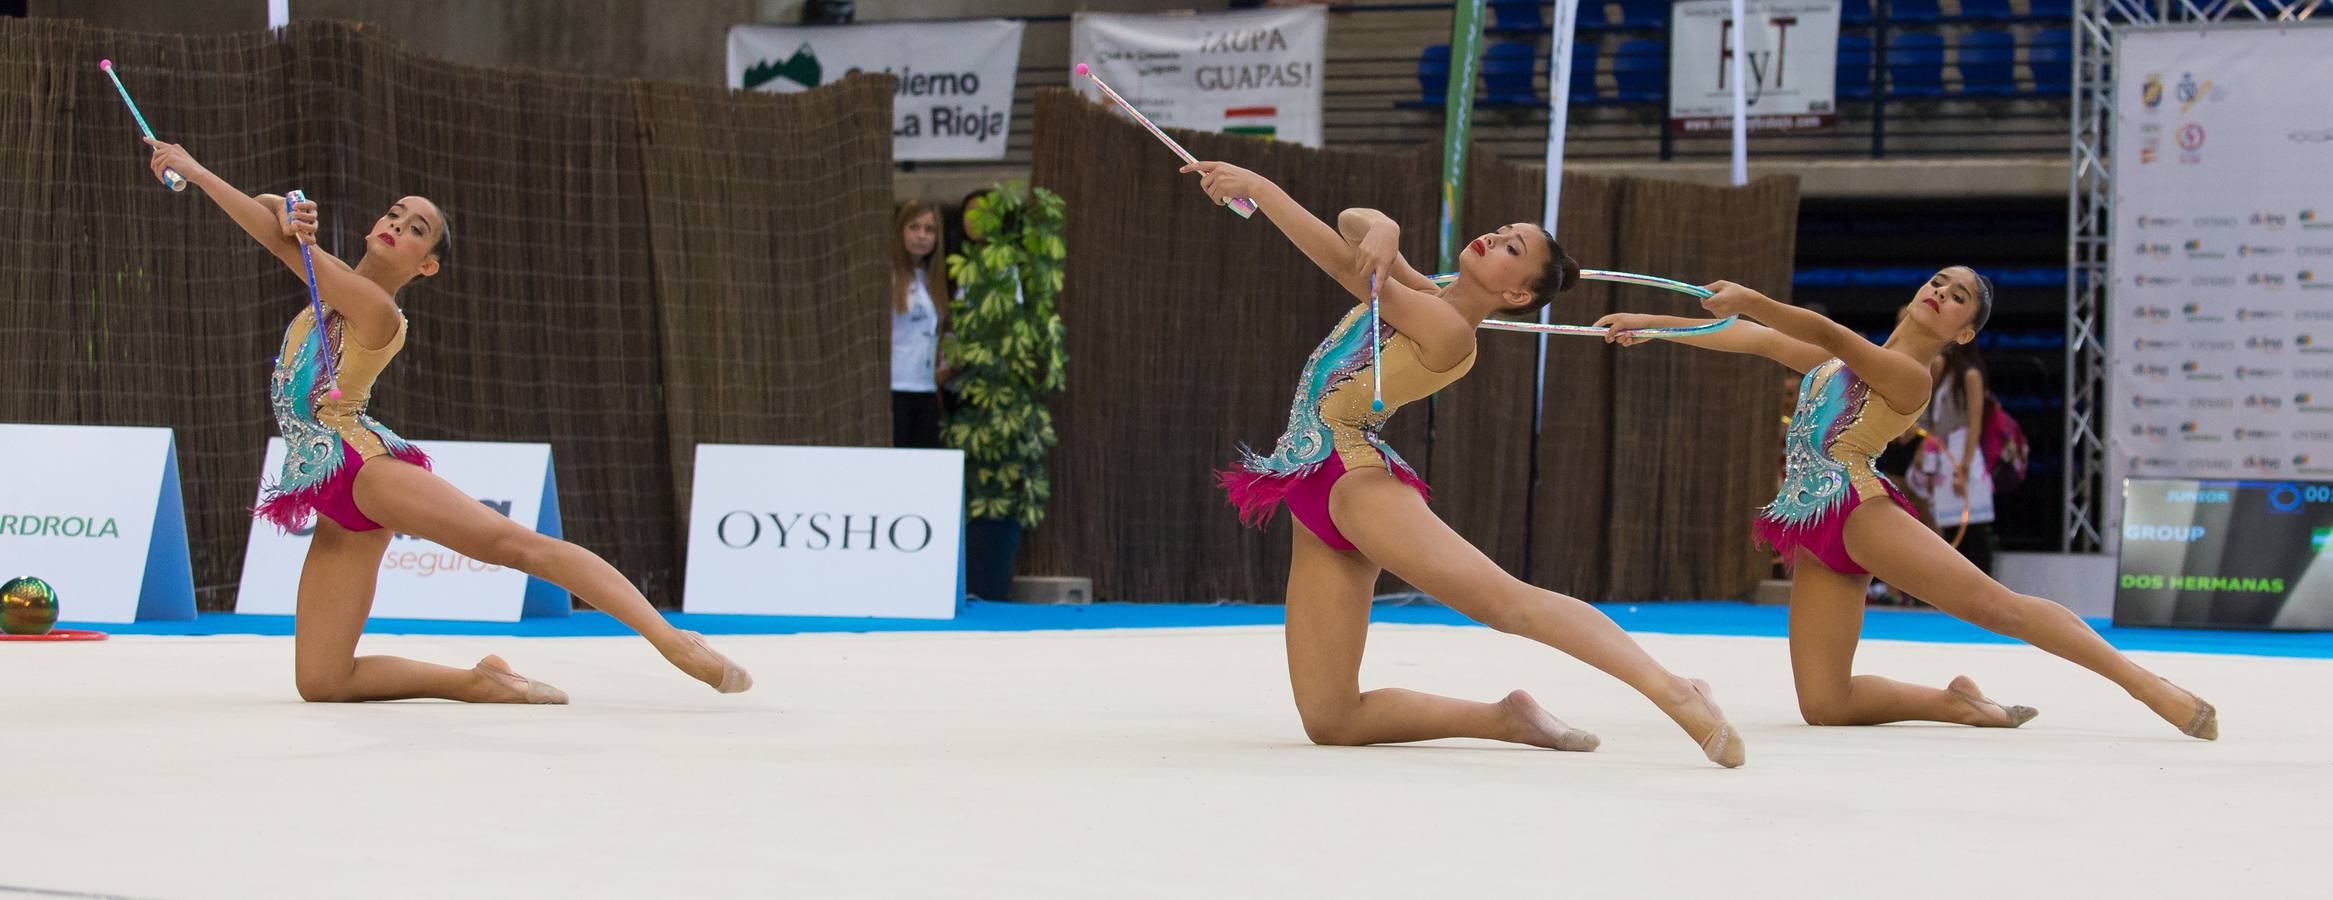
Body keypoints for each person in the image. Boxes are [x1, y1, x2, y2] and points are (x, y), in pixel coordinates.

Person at [141, 138, 750, 703]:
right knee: (323, 681)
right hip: (328, 493)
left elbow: (280, 243)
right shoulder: (335, 282)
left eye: (416, 231)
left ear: (426, 266)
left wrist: (197, 173)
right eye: (394, 215)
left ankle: (674, 640)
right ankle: (477, 682)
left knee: (517, 546)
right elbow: (277, 223)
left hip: (361, 468)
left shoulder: (376, 308)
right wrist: (286, 207)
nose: (396, 226)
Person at [1185, 159, 1745, 767]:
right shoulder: (1425, 294)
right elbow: (1354, 229)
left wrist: (1262, 189)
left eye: (1512, 247)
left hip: (1352, 481)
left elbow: (1349, 267)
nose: (1495, 236)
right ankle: (1504, 718)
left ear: (1517, 294)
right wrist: (1385, 226)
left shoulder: (1451, 331)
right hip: (1308, 487)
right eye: (1504, 228)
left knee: (1507, 604)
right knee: (1331, 717)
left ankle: (1674, 690)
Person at [1594, 268, 2216, 739]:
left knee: (1998, 608)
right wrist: (1651, 325)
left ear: (1962, 331)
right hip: (1812, 524)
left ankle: (2147, 686)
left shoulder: (1910, 375)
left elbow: (1819, 328)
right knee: (1825, 705)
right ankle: (1956, 703)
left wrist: (1754, 298)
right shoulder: (1834, 362)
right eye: (1937, 283)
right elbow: (1748, 337)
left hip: (1858, 509)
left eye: (1957, 298)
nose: (1940, 293)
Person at [891, 199, 947, 448]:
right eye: (914, 227)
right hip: (894, 388)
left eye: (929, 229)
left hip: (925, 389)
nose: (921, 236)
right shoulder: (889, 275)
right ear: (900, 230)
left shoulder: (933, 279)